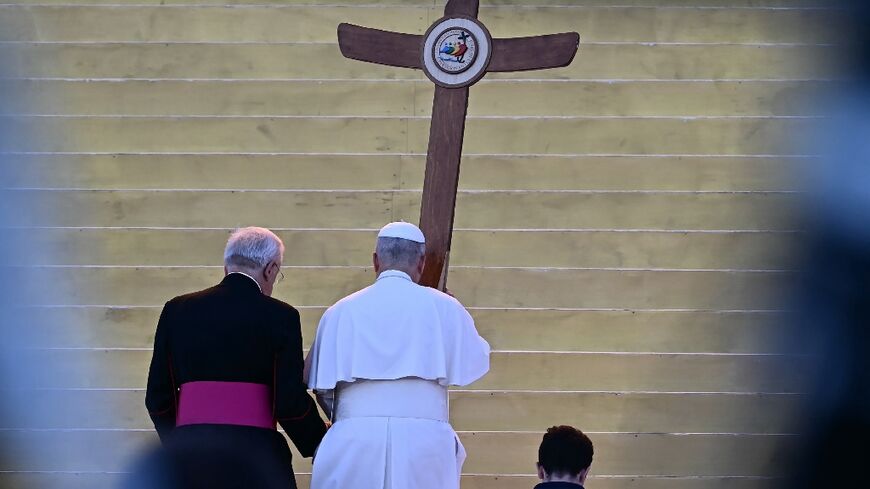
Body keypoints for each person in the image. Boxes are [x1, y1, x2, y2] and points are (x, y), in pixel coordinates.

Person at [305, 221, 491, 489]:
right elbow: (475, 359)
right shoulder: (446, 307)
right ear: (421, 262)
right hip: (425, 444)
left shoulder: (340, 311)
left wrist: (352, 416)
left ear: (375, 261)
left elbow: (321, 387)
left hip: (353, 441)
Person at [145, 227, 327, 489]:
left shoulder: (177, 309)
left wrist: (182, 441)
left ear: (226, 266)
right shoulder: (282, 316)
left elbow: (158, 398)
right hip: (257, 456)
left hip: (193, 457)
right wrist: (319, 439)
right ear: (270, 269)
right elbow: (289, 402)